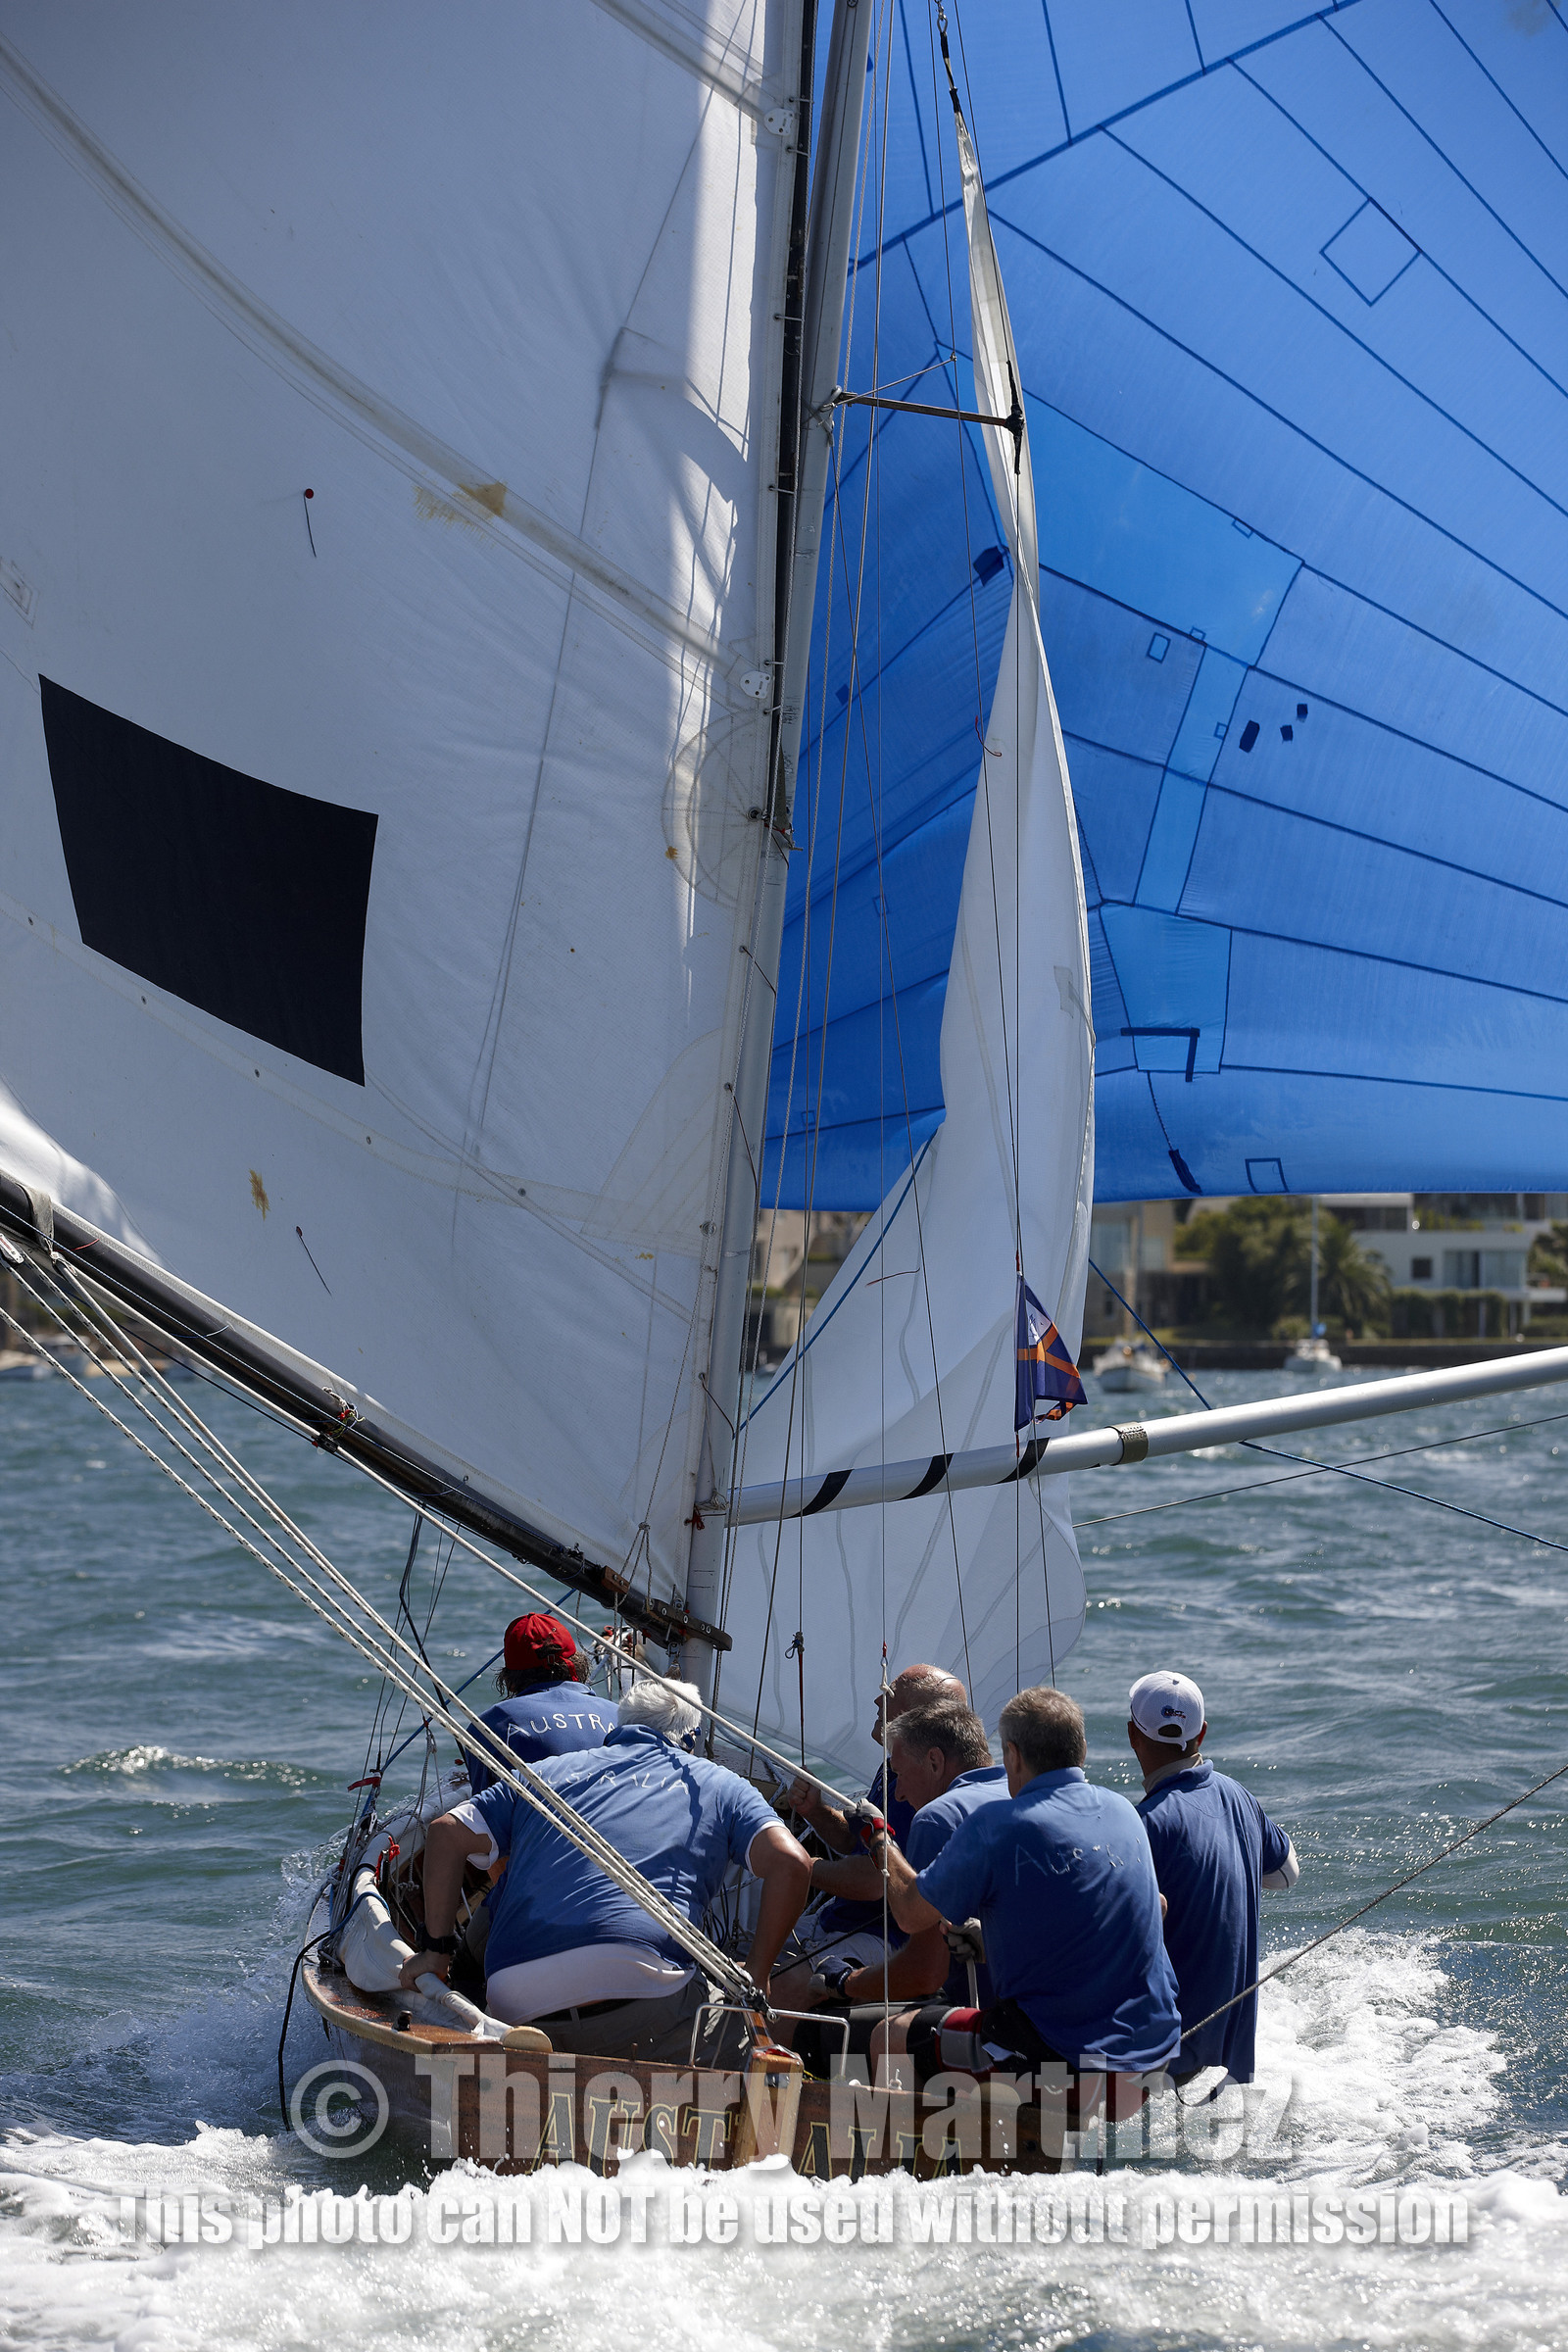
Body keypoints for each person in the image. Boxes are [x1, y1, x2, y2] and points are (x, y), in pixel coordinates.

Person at [406, 1675, 811, 2060]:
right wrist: (758, 1974)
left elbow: (445, 1833)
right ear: (691, 1739)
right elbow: (793, 1864)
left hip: (516, 1997)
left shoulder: (543, 1773)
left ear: (620, 1725)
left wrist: (435, 1953)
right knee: (752, 2037)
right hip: (646, 1994)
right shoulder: (719, 1784)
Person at [868, 1686, 1181, 2089]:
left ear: (1012, 1756)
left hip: (1064, 2059)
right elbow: (1155, 1907)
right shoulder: (1123, 1810)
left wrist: (880, 1840)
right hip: (1155, 2051)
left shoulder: (995, 1824)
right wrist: (990, 1941)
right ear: (1082, 1750)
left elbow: (910, 1914)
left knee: (889, 2037)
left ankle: (921, 2137)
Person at [1129, 1669, 1299, 2085]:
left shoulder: (1143, 1824)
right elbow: (1287, 1874)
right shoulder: (1239, 1795)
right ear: (1201, 1733)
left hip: (1168, 2052)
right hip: (1227, 2037)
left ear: (1133, 1735)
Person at [799, 1699, 1008, 2014]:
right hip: (1058, 2014)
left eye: (900, 1775)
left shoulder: (938, 1817)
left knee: (877, 2032)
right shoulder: (1020, 1796)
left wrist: (843, 1982)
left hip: (994, 2022)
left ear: (934, 1761)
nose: (897, 1792)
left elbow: (924, 1971)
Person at [778, 1662, 965, 1993]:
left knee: (776, 1983)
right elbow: (856, 1842)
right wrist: (817, 1811)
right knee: (743, 1954)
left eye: (889, 1695)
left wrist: (801, 1867)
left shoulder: (921, 1790)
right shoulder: (894, 1768)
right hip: (840, 1921)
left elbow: (874, 1881)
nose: (878, 1702)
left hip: (883, 1939)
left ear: (918, 1717)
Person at [462, 1612, 612, 1793]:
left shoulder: (489, 1727)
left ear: (508, 1680)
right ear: (580, 1664)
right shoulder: (620, 1716)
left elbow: (485, 1803)